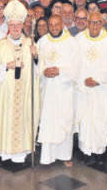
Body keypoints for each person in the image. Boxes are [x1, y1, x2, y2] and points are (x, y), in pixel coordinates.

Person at [0, 0, 39, 163]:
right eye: (13, 25)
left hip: (24, 93)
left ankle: (22, 151)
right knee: (7, 119)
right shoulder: (0, 45)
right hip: (6, 95)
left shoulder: (29, 43)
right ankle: (5, 151)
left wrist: (36, 57)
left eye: (18, 25)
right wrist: (7, 65)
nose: (16, 28)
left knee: (23, 119)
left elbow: (37, 71)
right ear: (8, 26)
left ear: (23, 25)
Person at [74, 11, 107, 162]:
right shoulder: (78, 40)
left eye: (97, 22)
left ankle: (99, 150)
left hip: (101, 89)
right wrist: (83, 80)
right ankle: (84, 149)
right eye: (91, 22)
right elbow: (74, 65)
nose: (94, 26)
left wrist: (98, 80)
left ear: (102, 23)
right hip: (83, 89)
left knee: (101, 118)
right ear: (86, 22)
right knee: (85, 119)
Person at [36, 12, 78, 166]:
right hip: (47, 90)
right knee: (48, 121)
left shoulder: (71, 42)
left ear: (62, 25)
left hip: (64, 90)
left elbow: (76, 66)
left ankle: (65, 155)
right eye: (51, 25)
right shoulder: (42, 42)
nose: (54, 28)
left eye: (57, 24)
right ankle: (47, 156)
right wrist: (43, 71)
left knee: (64, 121)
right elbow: (37, 65)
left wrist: (60, 71)